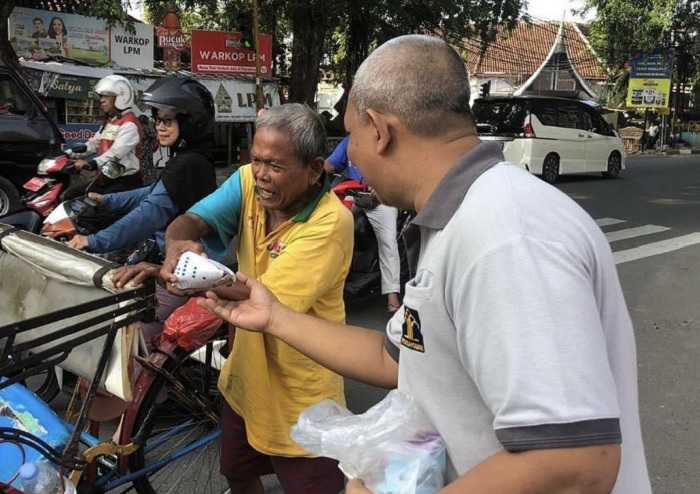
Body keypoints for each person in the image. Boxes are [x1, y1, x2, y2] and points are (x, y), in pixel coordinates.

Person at [201, 35, 652, 494]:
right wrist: (273, 315)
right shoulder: (455, 220)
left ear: (379, 130)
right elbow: (395, 359)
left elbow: (575, 462)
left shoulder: (506, 236)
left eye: (351, 137)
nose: (349, 158)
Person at [161, 103, 353, 494]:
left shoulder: (331, 223)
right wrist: (176, 242)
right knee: (236, 469)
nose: (261, 175)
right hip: (245, 375)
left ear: (315, 169)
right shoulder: (249, 180)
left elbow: (261, 300)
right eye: (256, 160)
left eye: (276, 166)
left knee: (314, 487)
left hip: (302, 388)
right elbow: (196, 219)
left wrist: (193, 277)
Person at [325, 136, 402, 311]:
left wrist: (383, 185)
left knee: (388, 243)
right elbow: (329, 164)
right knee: (333, 231)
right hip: (355, 195)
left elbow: (398, 168)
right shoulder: (349, 142)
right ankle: (332, 288)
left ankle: (392, 295)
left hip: (381, 197)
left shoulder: (386, 141)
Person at [63, 75, 144, 200]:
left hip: (124, 182)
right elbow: (93, 144)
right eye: (101, 96)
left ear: (121, 97)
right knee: (71, 195)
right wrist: (69, 153)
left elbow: (114, 154)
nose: (101, 100)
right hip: (106, 177)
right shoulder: (111, 121)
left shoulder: (130, 124)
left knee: (91, 209)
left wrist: (90, 163)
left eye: (106, 96)